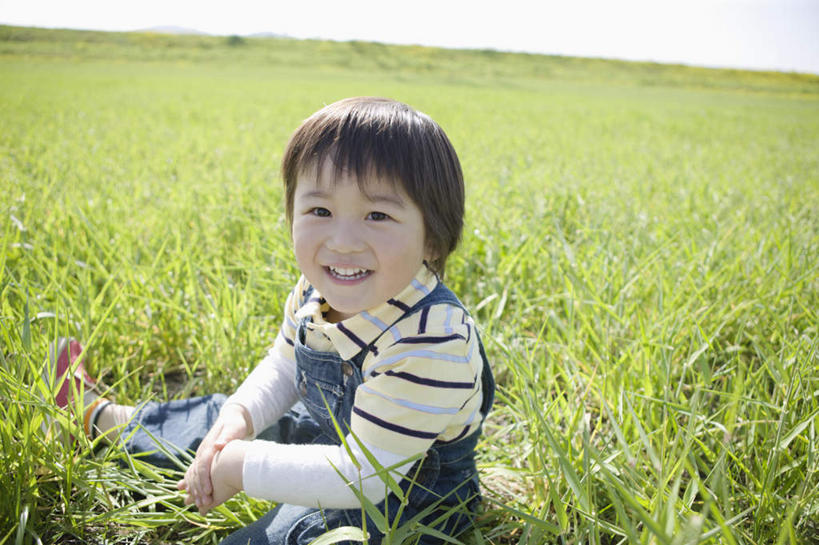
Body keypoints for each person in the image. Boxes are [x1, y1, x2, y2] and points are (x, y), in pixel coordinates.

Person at [45, 97, 495, 545]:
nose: (342, 241)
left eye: (377, 215)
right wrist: (239, 418)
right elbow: (284, 366)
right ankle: (95, 418)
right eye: (320, 211)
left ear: (433, 240)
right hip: (335, 439)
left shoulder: (432, 338)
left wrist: (242, 466)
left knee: (311, 533)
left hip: (404, 497)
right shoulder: (313, 294)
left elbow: (364, 476)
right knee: (220, 420)